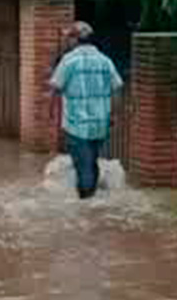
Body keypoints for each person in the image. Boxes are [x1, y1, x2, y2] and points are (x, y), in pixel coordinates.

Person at [49, 21, 124, 200]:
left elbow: (55, 88)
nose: (67, 41)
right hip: (100, 124)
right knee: (91, 161)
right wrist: (114, 115)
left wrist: (51, 113)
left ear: (75, 40)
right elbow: (117, 88)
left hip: (77, 125)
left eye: (69, 37)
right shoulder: (105, 60)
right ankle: (93, 199)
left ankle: (86, 205)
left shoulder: (69, 61)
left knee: (83, 167)